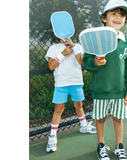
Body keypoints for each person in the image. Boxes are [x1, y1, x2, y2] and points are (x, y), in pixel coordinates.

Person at [82, 0, 127, 160]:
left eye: (122, 15)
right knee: (101, 119)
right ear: (104, 18)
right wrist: (95, 62)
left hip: (119, 91)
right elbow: (87, 63)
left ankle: (119, 147)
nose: (118, 17)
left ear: (125, 19)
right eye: (114, 14)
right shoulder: (94, 38)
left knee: (118, 119)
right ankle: (101, 146)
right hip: (100, 90)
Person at [45, 14, 96, 153]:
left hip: (76, 83)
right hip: (61, 84)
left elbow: (81, 61)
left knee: (78, 106)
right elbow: (51, 66)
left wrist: (74, 48)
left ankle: (84, 126)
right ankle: (52, 136)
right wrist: (63, 53)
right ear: (56, 33)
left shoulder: (77, 46)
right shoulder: (53, 48)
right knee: (59, 109)